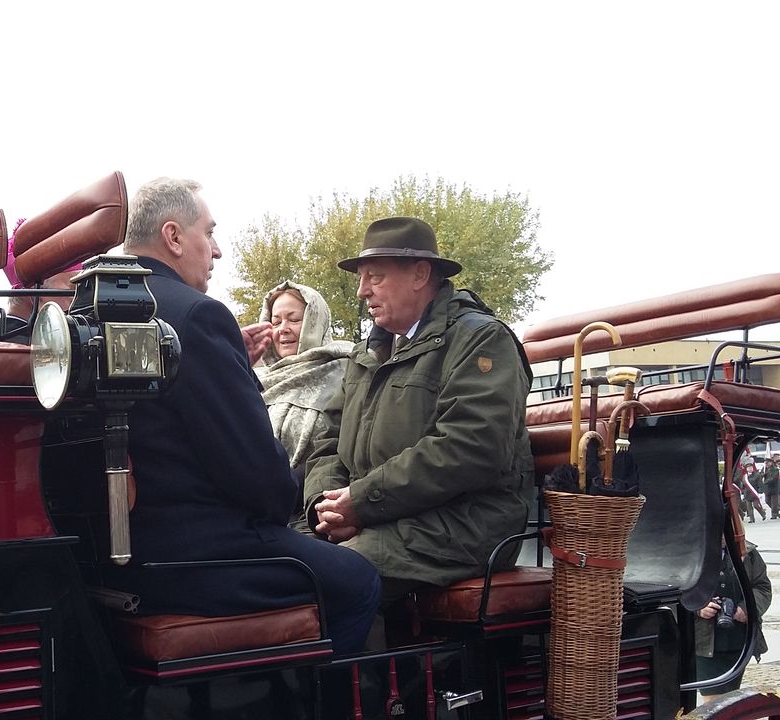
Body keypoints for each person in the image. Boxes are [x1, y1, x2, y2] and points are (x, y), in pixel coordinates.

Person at [105, 177, 380, 656]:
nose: (217, 251)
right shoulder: (196, 317)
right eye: (208, 233)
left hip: (114, 557)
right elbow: (260, 480)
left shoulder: (91, 310)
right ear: (173, 238)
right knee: (357, 581)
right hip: (197, 560)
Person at [305, 216, 534, 603]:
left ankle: (369, 666)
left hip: (465, 523)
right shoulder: (369, 352)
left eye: (375, 277)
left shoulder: (479, 339)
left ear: (420, 274)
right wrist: (326, 506)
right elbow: (328, 439)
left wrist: (361, 503)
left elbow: (471, 446)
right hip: (383, 517)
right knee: (274, 562)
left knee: (328, 578)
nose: (362, 291)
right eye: (362, 278)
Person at [256, 281, 353, 511]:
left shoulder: (346, 370)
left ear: (315, 321)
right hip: (258, 508)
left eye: (295, 320)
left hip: (319, 508)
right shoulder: (255, 378)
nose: (283, 329)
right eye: (276, 321)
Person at [694, 539, 771, 700]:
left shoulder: (748, 553)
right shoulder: (691, 552)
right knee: (714, 703)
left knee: (731, 697)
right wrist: (698, 606)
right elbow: (674, 590)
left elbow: (762, 587)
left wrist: (748, 607)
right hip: (704, 644)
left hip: (740, 641)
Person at [0, 220, 82, 343]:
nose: (76, 298)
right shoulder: (29, 350)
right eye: (72, 289)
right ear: (35, 289)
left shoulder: (1, 339)